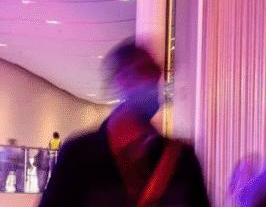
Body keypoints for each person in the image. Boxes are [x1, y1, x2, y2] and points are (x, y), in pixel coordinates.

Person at [39, 38, 210, 206]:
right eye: (143, 72)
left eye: (156, 74)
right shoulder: (79, 155)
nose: (153, 83)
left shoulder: (180, 158)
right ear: (121, 80)